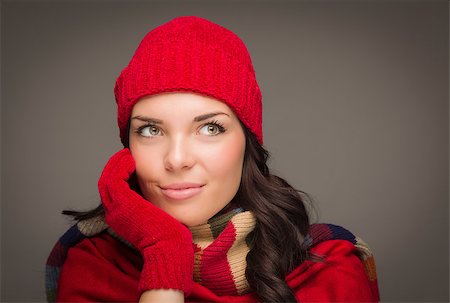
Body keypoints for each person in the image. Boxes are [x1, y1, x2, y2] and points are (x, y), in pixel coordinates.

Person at [45, 16, 380, 303]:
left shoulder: (329, 267)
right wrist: (165, 254)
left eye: (209, 128)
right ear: (127, 148)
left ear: (247, 142)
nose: (177, 160)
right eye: (149, 130)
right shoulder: (94, 264)